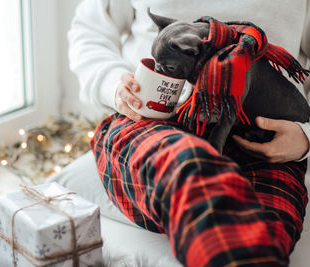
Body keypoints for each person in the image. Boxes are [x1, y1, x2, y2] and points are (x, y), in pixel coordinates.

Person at [68, 0, 310, 266]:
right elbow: (91, 31)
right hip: (152, 126)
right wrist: (114, 83)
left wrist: (306, 135)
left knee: (262, 236)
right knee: (189, 170)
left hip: (266, 141)